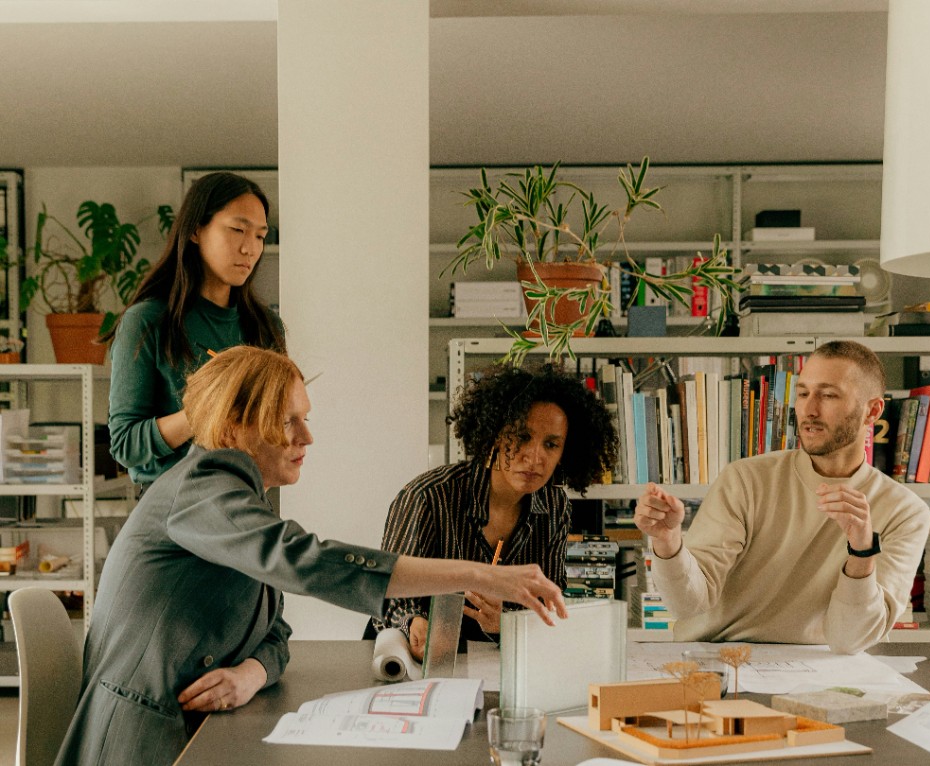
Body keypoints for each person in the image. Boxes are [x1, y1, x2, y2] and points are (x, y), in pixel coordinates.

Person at [55, 347, 567, 766]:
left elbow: (274, 629)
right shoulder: (201, 488)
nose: (307, 437)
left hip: (194, 726)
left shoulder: (239, 498)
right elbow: (305, 561)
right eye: (288, 421)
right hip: (139, 738)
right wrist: (480, 575)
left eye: (305, 419)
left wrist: (251, 673)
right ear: (233, 427)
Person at [634, 340, 930, 655]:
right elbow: (687, 605)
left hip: (814, 667)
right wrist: (668, 542)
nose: (809, 410)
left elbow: (849, 640)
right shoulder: (745, 480)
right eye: (803, 394)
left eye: (828, 395)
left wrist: (862, 552)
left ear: (872, 411)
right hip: (715, 656)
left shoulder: (905, 512)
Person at [370, 362, 618, 660]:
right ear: (496, 435)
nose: (535, 456)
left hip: (495, 659)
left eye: (551, 444)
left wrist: (505, 624)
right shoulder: (428, 496)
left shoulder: (554, 507)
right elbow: (383, 589)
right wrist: (413, 623)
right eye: (522, 437)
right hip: (409, 658)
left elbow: (545, 606)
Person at [106, 171, 285, 488]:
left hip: (244, 499)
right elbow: (126, 445)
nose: (250, 248)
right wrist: (209, 407)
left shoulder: (266, 327)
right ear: (195, 231)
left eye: (260, 236)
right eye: (238, 230)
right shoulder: (147, 321)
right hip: (174, 507)